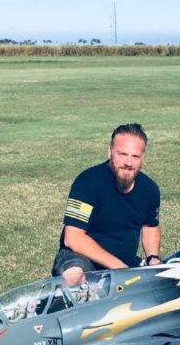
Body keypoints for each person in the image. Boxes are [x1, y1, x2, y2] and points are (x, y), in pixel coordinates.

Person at [52, 123, 162, 286]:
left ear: (142, 158)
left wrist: (153, 258)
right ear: (110, 152)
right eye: (122, 154)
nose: (128, 162)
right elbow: (73, 238)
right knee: (74, 277)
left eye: (135, 156)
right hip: (81, 258)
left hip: (124, 262)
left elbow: (150, 226)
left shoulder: (150, 189)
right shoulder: (87, 182)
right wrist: (119, 268)